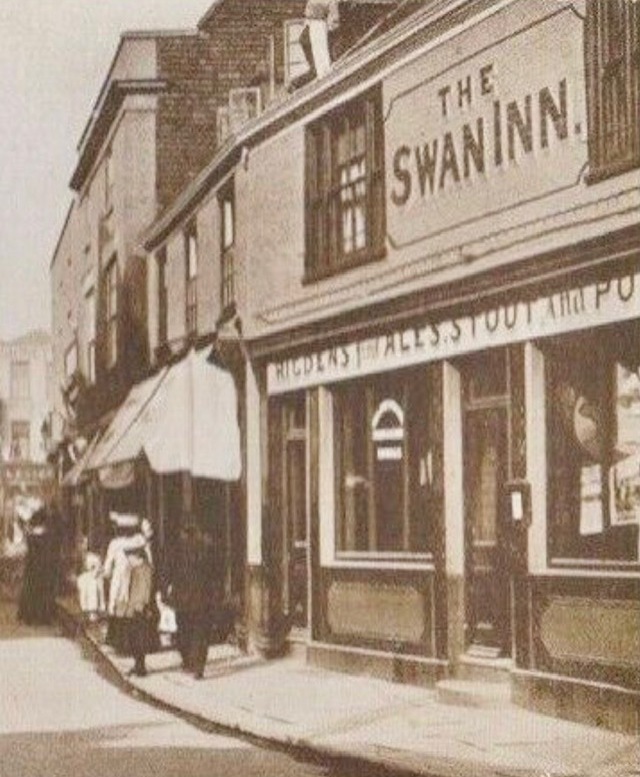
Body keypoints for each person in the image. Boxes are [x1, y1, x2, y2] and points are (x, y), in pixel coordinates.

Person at [103, 513, 154, 677]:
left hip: (123, 589)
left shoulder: (115, 544)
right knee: (139, 625)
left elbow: (107, 570)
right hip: (141, 588)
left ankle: (133, 658)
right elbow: (151, 565)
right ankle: (139, 662)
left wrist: (108, 575)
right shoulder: (141, 541)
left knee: (126, 625)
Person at [169, 521, 220, 680]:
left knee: (184, 629)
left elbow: (170, 570)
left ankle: (187, 662)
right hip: (203, 596)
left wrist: (168, 590)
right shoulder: (207, 547)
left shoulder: (177, 548)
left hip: (182, 597)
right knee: (201, 632)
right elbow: (215, 572)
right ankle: (199, 666)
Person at [17, 498, 58, 626]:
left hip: (32, 567)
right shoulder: (48, 535)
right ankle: (43, 617)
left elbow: (29, 552)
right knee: (44, 591)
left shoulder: (31, 536)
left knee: (31, 590)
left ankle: (30, 617)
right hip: (45, 567)